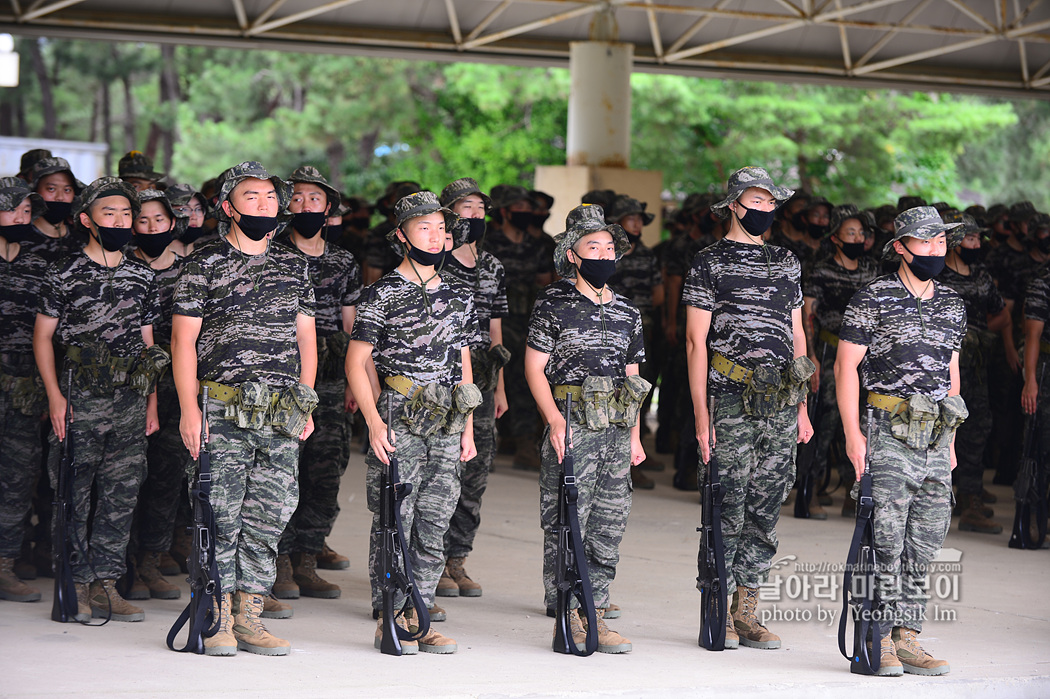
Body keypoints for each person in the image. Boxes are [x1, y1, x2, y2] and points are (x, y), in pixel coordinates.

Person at [171, 161, 318, 656]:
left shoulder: (294, 264)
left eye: (272, 198)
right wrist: (191, 410)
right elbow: (183, 342)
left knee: (270, 513)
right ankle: (215, 617)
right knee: (220, 514)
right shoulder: (203, 263)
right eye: (252, 197)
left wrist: (305, 400)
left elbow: (306, 340)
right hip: (223, 410)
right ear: (228, 206)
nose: (265, 206)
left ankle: (249, 615)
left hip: (279, 412)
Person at [683, 166, 814, 650]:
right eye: (754, 202)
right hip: (730, 398)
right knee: (725, 502)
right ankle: (716, 601)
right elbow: (697, 344)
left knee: (766, 505)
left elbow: (797, 334)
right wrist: (701, 415)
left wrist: (801, 408)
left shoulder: (786, 260)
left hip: (780, 401)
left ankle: (748, 607)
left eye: (769, 203)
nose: (763, 211)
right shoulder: (709, 262)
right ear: (734, 205)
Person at [346, 190, 480, 654]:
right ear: (401, 236)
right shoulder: (383, 292)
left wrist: (467, 426)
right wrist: (374, 422)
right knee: (393, 518)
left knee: (435, 518)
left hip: (447, 419)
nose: (436, 236)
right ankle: (389, 615)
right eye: (425, 227)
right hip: (400, 415)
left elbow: (463, 363)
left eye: (442, 229)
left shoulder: (459, 295)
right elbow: (356, 362)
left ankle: (418, 613)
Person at [835, 205, 966, 676]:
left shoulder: (953, 304)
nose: (935, 250)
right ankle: (876, 636)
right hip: (887, 431)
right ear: (900, 248)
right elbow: (845, 367)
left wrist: (951, 441)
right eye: (926, 242)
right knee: (884, 539)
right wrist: (853, 435)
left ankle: (907, 636)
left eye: (941, 242)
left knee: (925, 541)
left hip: (935, 435)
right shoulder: (872, 298)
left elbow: (951, 374)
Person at [33, 177, 163, 623]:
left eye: (127, 214)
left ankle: (107, 583)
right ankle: (76, 583)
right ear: (86, 219)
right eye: (111, 214)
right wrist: (54, 397)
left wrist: (150, 403)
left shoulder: (143, 276)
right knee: (73, 493)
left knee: (121, 495)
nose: (122, 222)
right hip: (79, 399)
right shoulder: (63, 273)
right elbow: (43, 338)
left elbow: (149, 347)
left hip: (129, 402)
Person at [525, 203, 646, 654]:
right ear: (572, 255)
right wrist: (554, 420)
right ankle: (567, 612)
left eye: (609, 247)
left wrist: (634, 436)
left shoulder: (627, 311)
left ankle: (594, 608)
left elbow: (633, 378)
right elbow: (534, 369)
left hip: (615, 428)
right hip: (572, 423)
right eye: (592, 246)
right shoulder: (553, 302)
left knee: (607, 524)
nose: (603, 254)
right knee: (565, 520)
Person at [272, 166, 362, 600]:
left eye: (316, 198)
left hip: (328, 383)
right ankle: (279, 562)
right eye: (298, 197)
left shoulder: (343, 262)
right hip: (281, 381)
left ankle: (308, 558)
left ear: (329, 208)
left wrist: (354, 384)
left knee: (325, 474)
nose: (306, 205)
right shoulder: (271, 254)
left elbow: (353, 331)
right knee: (283, 473)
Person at [434, 178, 508, 601]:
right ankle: (432, 556)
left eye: (480, 208)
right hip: (441, 381)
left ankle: (456, 559)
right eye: (466, 207)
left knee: (475, 474)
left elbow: (497, 333)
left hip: (482, 382)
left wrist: (500, 389)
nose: (475, 215)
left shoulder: (493, 266)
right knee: (443, 471)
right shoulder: (434, 262)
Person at [127, 189, 189, 601]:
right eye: (143, 220)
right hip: (130, 385)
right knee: (128, 478)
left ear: (172, 224)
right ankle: (121, 566)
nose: (151, 228)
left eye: (159, 220)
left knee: (167, 478)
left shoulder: (189, 271)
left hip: (175, 386)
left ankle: (152, 560)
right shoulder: (121, 267)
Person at [802, 204, 879, 517]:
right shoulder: (822, 270)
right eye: (851, 233)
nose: (858, 238)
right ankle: (812, 488)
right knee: (826, 420)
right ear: (835, 237)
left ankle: (854, 489)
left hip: (866, 358)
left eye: (861, 233)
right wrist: (810, 356)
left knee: (862, 421)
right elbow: (808, 314)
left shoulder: (872, 270)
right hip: (829, 351)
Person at [937, 211, 1009, 534]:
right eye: (970, 238)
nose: (977, 243)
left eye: (979, 238)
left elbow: (1002, 315)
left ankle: (969, 501)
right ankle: (939, 497)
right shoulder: (936, 274)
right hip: (942, 367)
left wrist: (977, 335)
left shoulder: (980, 274)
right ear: (954, 242)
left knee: (977, 428)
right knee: (941, 429)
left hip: (974, 368)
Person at [0, 178, 50, 604]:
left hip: (23, 389)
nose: (23, 217)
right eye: (13, 209)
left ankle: (4, 566)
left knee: (17, 480)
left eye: (26, 210)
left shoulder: (38, 264)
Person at [606, 194, 664, 485]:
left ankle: (635, 452)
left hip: (642, 333)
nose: (637, 224)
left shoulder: (647, 255)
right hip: (609, 334)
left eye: (640, 220)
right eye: (631, 219)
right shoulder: (605, 252)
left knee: (638, 391)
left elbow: (658, 293)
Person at [25, 157, 84, 263]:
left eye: (67, 190)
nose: (60, 197)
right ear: (35, 191)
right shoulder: (21, 238)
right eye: (51, 189)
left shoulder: (81, 239)